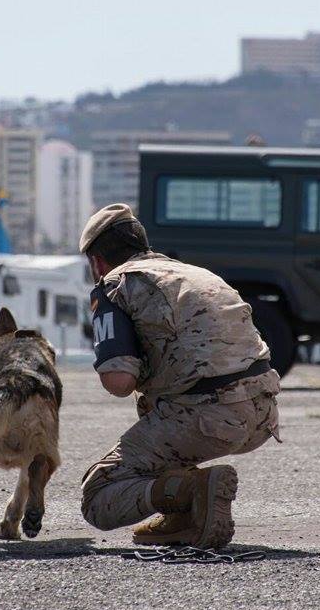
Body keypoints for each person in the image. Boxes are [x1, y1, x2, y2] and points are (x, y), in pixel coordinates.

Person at [79, 203, 281, 549]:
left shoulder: (114, 285)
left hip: (207, 417)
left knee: (98, 494)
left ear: (97, 262)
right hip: (263, 413)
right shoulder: (196, 273)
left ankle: (190, 491)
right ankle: (186, 516)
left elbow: (119, 382)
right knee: (155, 408)